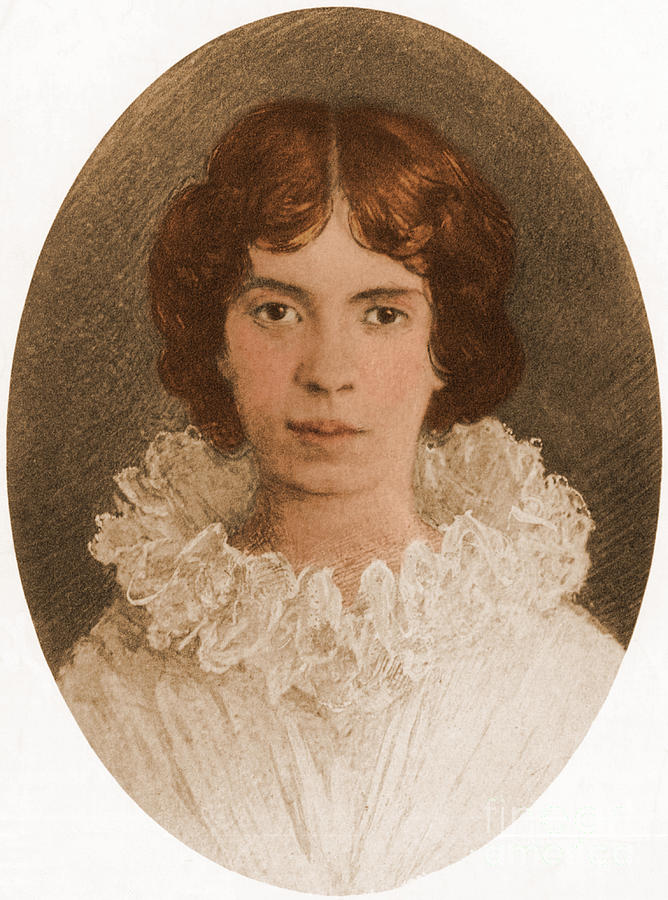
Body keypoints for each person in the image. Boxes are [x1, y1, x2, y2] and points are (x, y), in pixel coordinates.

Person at [57, 100, 624, 894]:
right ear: (217, 342)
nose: (327, 371)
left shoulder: (573, 681)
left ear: (445, 344)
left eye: (383, 313)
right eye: (277, 311)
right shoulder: (112, 690)